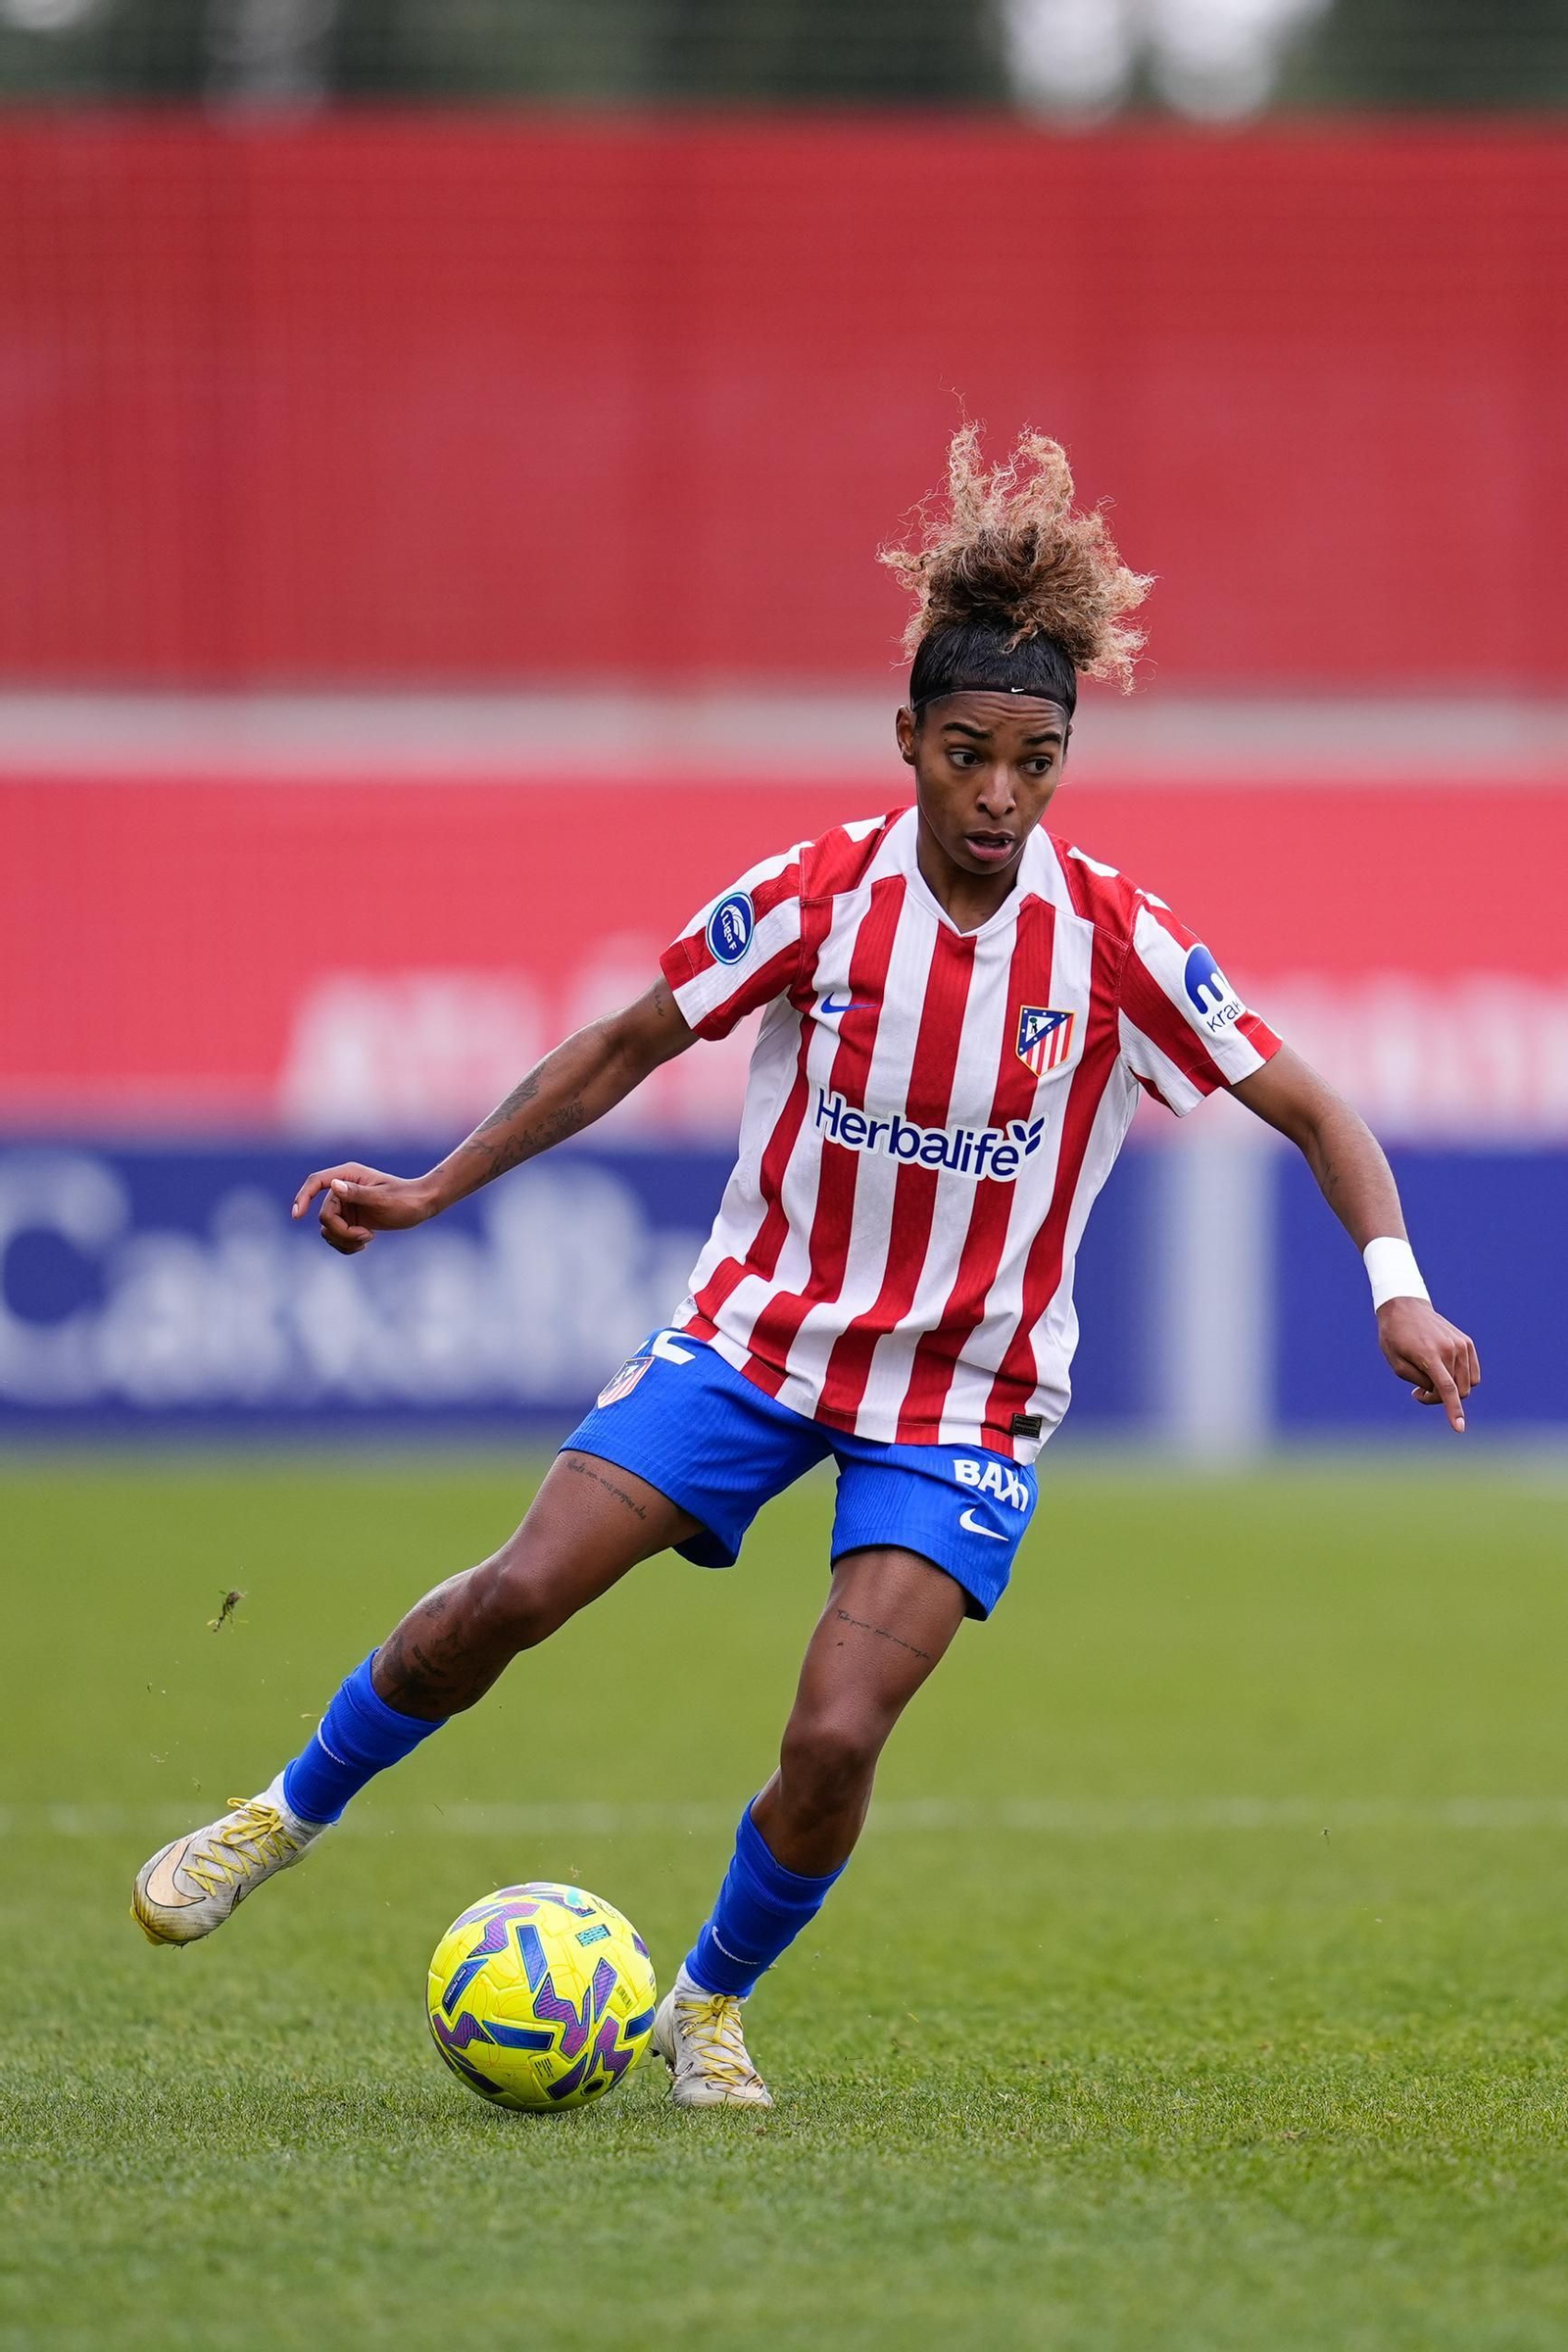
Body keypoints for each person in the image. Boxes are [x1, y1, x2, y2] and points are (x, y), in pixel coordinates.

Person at [132, 427, 1479, 2109]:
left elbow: (1313, 1104)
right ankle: (282, 1812)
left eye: (1037, 761)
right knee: (518, 1595)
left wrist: (1394, 1285)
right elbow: (624, 1043)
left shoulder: (1116, 939)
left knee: (837, 1736)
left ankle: (705, 2006)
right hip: (759, 1340)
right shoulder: (818, 896)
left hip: (969, 1399)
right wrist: (431, 1188)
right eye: (970, 752)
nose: (1001, 794)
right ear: (908, 739)